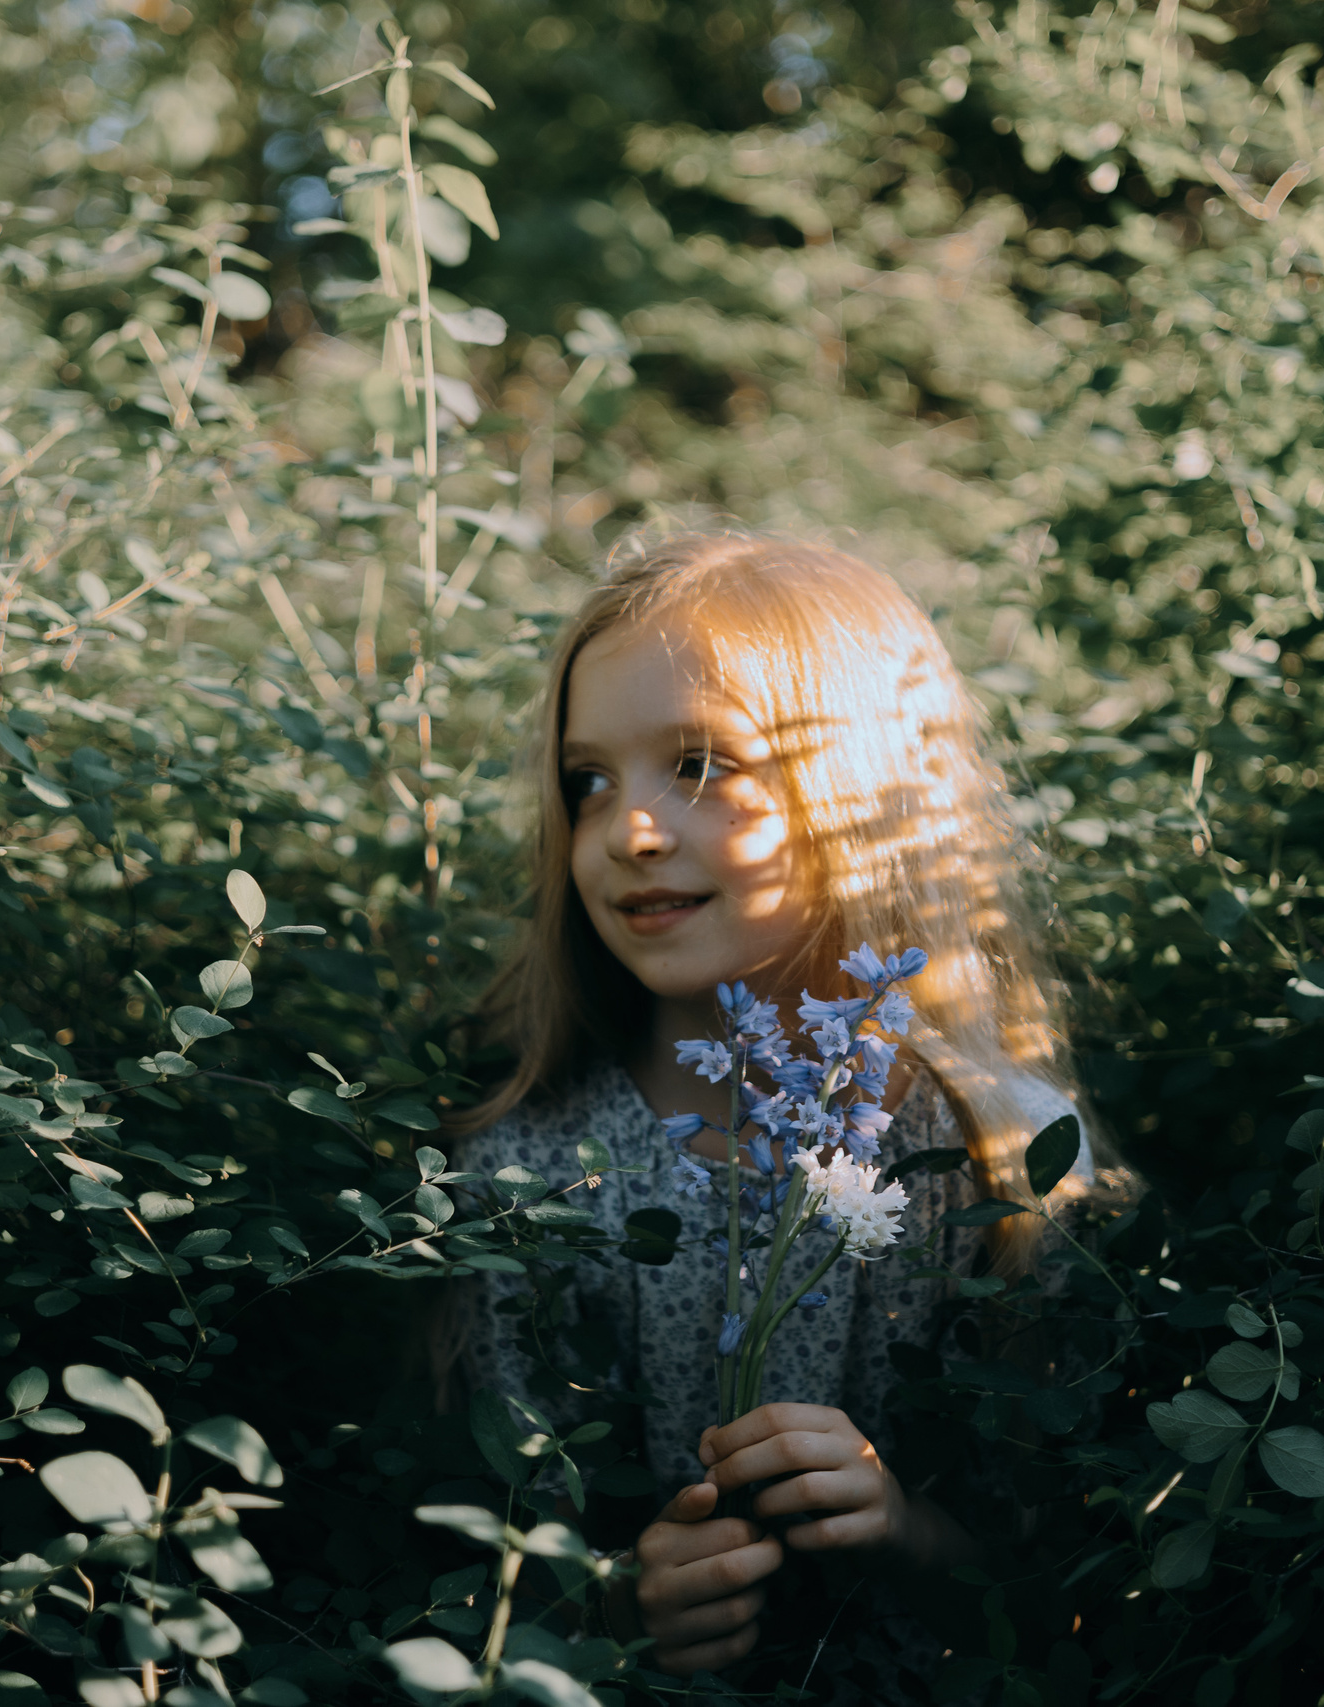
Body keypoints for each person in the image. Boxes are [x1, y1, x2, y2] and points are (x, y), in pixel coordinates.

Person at [453, 530, 1101, 1688]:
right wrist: (615, 1606)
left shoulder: (997, 1148)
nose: (630, 830)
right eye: (587, 781)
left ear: (866, 794)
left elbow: (1075, 1578)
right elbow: (473, 1556)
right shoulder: (533, 1169)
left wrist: (901, 1530)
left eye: (700, 765)